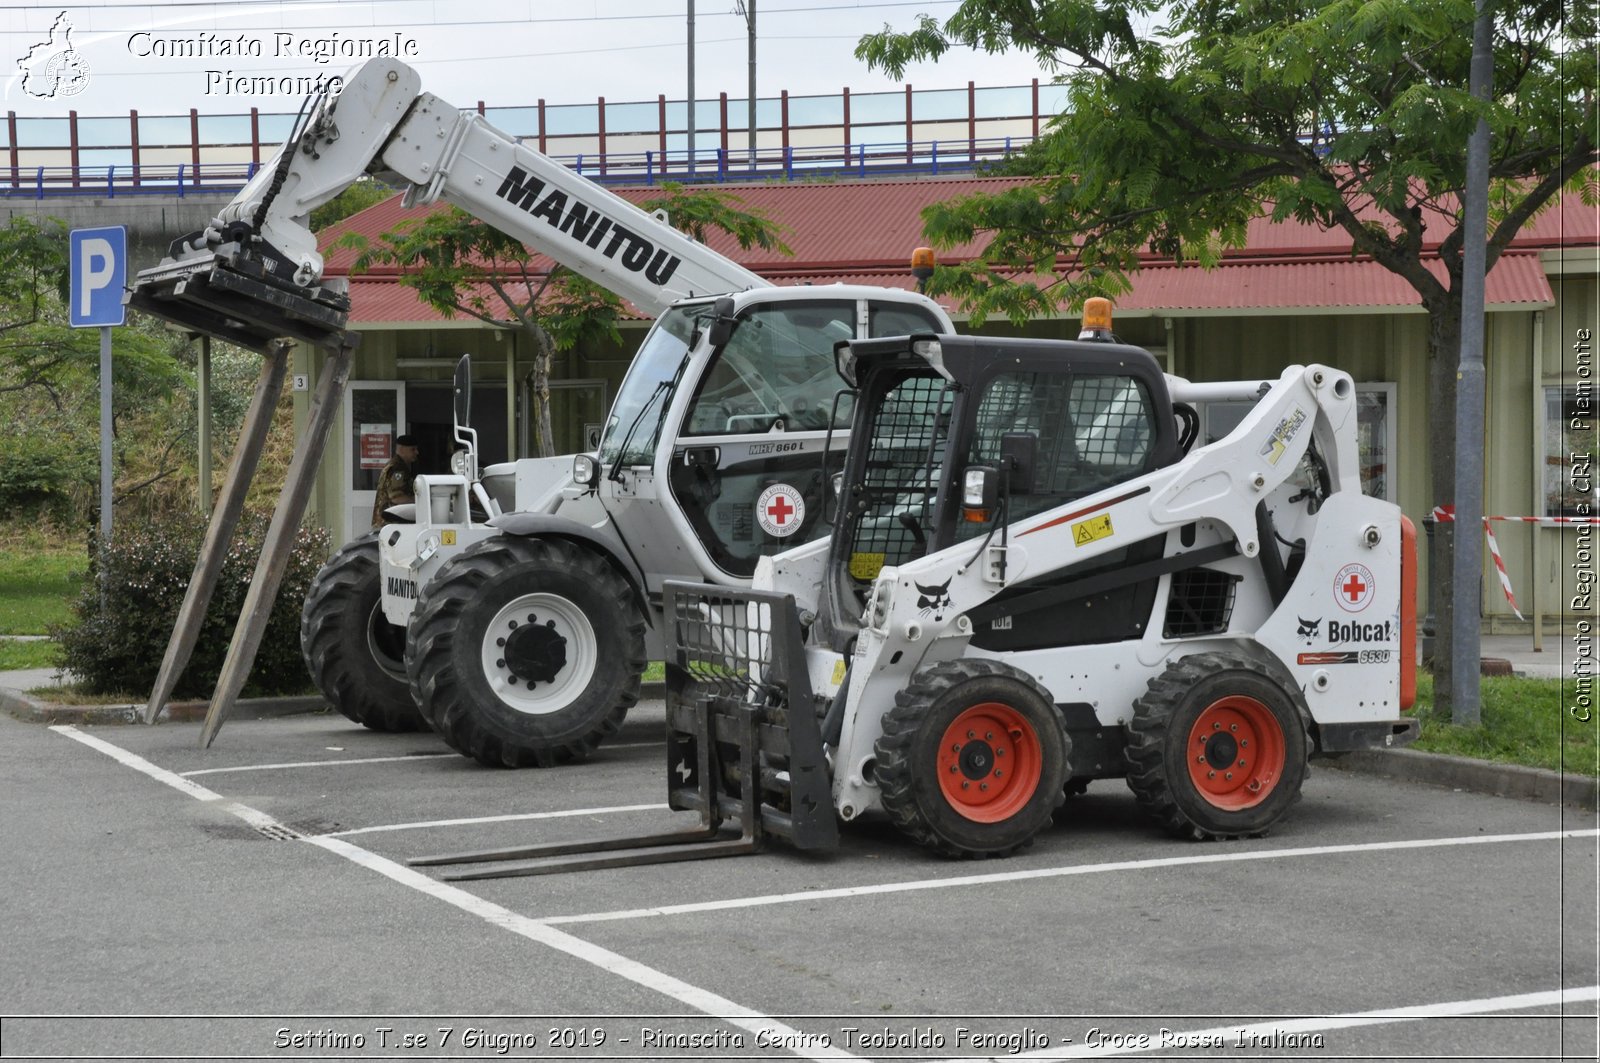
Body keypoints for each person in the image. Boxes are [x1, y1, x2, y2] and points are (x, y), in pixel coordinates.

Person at [371, 433, 420, 527]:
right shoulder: (398, 468)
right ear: (401, 450)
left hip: (386, 523)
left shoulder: (394, 465)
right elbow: (397, 498)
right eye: (413, 449)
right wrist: (419, 501)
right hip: (391, 524)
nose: (417, 452)